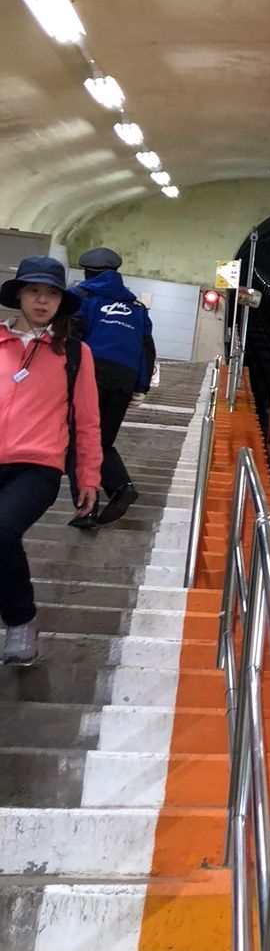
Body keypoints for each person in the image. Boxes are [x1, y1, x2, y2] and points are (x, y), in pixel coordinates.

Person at [0, 256, 101, 666]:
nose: (43, 301)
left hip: (37, 467)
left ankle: (21, 620)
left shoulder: (74, 354)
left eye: (52, 293)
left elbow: (89, 422)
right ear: (20, 294)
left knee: (2, 530)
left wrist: (88, 476)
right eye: (35, 291)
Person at [69, 247, 155, 528]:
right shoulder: (137, 308)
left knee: (78, 441)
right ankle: (121, 487)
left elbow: (73, 337)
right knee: (101, 440)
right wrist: (140, 386)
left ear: (87, 272)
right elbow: (146, 348)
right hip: (124, 379)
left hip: (91, 373)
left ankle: (86, 511)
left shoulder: (83, 297)